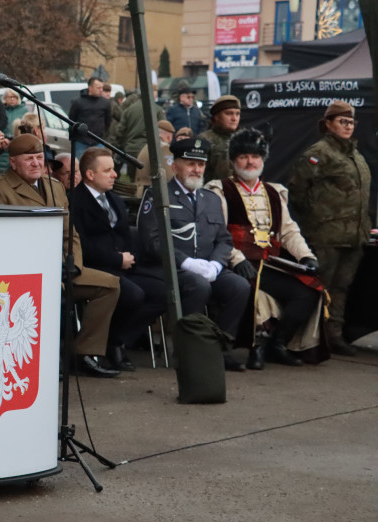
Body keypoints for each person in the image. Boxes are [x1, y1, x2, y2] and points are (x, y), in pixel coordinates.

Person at [0, 134, 122, 378]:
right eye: (29, 159)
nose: (36, 164)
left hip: (63, 268)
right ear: (14, 162)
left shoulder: (55, 186)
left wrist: (74, 265)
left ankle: (83, 352)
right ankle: (45, 357)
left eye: (39, 158)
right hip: (25, 273)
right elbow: (10, 241)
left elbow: (70, 234)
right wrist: (48, 268)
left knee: (110, 285)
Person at [205, 128, 322, 368]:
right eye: (244, 156)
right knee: (251, 288)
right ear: (233, 160)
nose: (250, 161)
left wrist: (306, 256)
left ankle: (276, 345)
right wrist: (235, 259)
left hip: (269, 263)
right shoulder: (219, 190)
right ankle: (254, 346)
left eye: (255, 156)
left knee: (309, 291)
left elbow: (289, 231)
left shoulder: (274, 192)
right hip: (235, 262)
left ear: (262, 159)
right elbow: (217, 234)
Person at [137, 137, 251, 370]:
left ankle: (221, 348)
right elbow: (152, 240)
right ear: (174, 165)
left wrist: (217, 265)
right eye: (190, 163)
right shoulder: (158, 195)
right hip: (171, 267)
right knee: (198, 286)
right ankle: (190, 351)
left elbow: (224, 239)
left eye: (200, 164)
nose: (196, 169)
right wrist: (186, 262)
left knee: (240, 287)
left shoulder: (210, 199)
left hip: (208, 266)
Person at [287, 100, 372, 357]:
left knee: (341, 288)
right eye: (342, 121)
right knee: (318, 287)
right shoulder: (319, 153)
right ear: (328, 124)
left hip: (353, 235)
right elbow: (297, 190)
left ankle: (333, 335)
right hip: (325, 233)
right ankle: (309, 338)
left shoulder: (354, 154)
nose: (348, 126)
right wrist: (317, 218)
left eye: (351, 122)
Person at [71, 148, 167, 372]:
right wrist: (116, 259)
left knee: (162, 292)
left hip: (123, 265)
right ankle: (111, 346)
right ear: (90, 175)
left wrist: (128, 257)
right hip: (96, 266)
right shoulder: (76, 201)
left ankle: (116, 339)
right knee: (133, 294)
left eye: (114, 169)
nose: (115, 174)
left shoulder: (114, 199)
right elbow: (81, 244)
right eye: (108, 170)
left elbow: (125, 234)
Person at [109, 88, 165, 178]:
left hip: (131, 149)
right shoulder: (157, 110)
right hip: (150, 150)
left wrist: (118, 146)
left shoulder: (129, 110)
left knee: (133, 178)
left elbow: (120, 131)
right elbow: (164, 131)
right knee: (149, 179)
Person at [200, 95, 241, 183]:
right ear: (216, 117)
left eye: (237, 114)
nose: (234, 118)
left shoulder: (242, 140)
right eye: (229, 113)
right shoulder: (204, 140)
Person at [67, 77, 112, 157]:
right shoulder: (78, 102)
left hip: (98, 141)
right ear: (90, 88)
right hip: (80, 141)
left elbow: (108, 121)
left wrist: (102, 133)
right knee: (80, 166)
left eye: (102, 87)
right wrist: (73, 137)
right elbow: (71, 120)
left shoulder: (105, 103)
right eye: (98, 88)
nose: (101, 90)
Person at [134, 120, 175, 190]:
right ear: (169, 137)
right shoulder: (164, 148)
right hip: (154, 192)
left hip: (141, 189)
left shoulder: (147, 146)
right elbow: (169, 176)